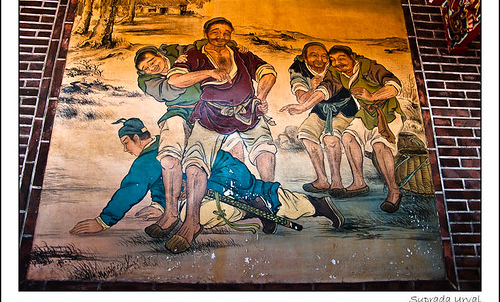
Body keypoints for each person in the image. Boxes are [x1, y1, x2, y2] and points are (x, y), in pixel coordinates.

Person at [69, 118, 345, 248]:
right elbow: (162, 186)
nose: (124, 149)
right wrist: (159, 205)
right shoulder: (157, 154)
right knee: (249, 196)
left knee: (214, 209)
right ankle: (253, 206)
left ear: (136, 139)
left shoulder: (150, 157)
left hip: (224, 176)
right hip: (221, 175)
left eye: (125, 143)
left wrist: (104, 221)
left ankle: (316, 205)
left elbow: (132, 188)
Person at [165, 16, 278, 252]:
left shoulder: (241, 54)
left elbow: (268, 71)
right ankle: (191, 223)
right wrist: (208, 73)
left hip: (248, 113)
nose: (221, 36)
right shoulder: (194, 56)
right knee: (194, 163)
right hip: (211, 116)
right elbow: (175, 80)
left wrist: (262, 96)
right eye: (215, 31)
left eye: (226, 32)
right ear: (206, 33)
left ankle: (269, 202)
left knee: (265, 150)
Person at [134, 42, 244, 238]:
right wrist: (204, 72)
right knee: (169, 156)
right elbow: (171, 88)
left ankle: (205, 213)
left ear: (160, 54)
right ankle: (170, 213)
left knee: (227, 149)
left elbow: (204, 43)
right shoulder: (146, 81)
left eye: (152, 61)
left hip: (211, 109)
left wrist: (233, 46)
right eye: (146, 68)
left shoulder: (177, 50)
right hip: (179, 112)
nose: (151, 68)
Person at [281, 45, 405, 213]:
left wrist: (373, 96)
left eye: (341, 59)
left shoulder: (368, 67)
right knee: (347, 137)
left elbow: (394, 84)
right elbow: (325, 89)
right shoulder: (330, 73)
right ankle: (358, 183)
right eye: (333, 60)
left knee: (379, 145)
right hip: (362, 114)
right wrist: (303, 107)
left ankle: (394, 191)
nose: (336, 63)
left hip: (385, 113)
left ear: (352, 56)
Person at [285, 42, 358, 197]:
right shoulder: (297, 69)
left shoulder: (334, 66)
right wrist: (313, 88)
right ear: (305, 57)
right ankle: (322, 180)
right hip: (320, 108)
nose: (320, 59)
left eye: (324, 56)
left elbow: (329, 88)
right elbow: (302, 97)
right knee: (306, 134)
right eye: (314, 55)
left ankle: (337, 181)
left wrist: (316, 93)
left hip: (344, 108)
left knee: (330, 139)